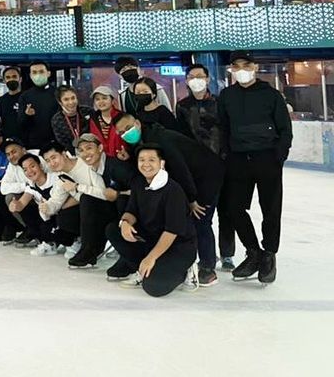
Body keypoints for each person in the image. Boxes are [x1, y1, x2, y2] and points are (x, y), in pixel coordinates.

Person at [218, 51, 292, 285]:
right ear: (231, 70)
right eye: (236, 66)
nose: (241, 70)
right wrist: (227, 155)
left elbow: (285, 129)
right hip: (238, 159)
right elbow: (223, 128)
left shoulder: (271, 95)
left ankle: (269, 254)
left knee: (271, 209)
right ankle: (253, 252)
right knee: (234, 208)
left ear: (255, 67)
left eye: (246, 65)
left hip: (267, 158)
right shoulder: (227, 96)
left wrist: (278, 156)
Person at [106, 146, 199, 296]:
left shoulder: (172, 190)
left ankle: (186, 270)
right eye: (142, 160)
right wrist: (125, 223)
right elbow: (131, 210)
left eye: (151, 160)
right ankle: (141, 268)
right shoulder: (139, 183)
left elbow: (171, 231)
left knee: (153, 287)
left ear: (161, 163)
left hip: (178, 246)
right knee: (114, 230)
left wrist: (151, 258)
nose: (146, 164)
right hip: (152, 240)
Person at [177, 63, 236, 271]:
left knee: (227, 212)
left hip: (225, 164)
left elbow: (229, 130)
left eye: (200, 76)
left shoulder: (221, 103)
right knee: (203, 216)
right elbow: (183, 136)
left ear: (208, 79)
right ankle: (207, 258)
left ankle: (227, 253)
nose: (196, 80)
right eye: (191, 76)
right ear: (186, 81)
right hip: (200, 169)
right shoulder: (183, 106)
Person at [68, 133, 135, 269]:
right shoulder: (92, 168)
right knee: (87, 199)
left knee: (122, 200)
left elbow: (142, 190)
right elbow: (102, 194)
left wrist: (119, 194)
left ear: (100, 148)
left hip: (132, 211)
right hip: (113, 207)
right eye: (81, 150)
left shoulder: (116, 167)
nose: (85, 153)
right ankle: (89, 250)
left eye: (89, 148)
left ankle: (129, 255)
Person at [18, 61, 57, 150]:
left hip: (56, 143)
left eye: (41, 71)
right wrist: (27, 115)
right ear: (30, 75)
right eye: (34, 72)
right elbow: (21, 124)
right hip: (33, 145)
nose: (38, 75)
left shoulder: (58, 93)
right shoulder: (25, 96)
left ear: (48, 73)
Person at [87, 85, 125, 159]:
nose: (101, 101)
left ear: (112, 101)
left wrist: (128, 152)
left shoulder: (123, 117)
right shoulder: (93, 120)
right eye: (97, 99)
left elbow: (131, 141)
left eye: (104, 98)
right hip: (101, 160)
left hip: (122, 159)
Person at [51, 85, 87, 152]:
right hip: (72, 154)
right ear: (60, 102)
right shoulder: (57, 120)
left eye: (73, 98)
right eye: (66, 99)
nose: (71, 102)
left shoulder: (87, 111)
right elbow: (62, 143)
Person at [0, 66, 25, 140]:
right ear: (4, 80)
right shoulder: (1, 100)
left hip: (25, 140)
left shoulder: (27, 97)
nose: (11, 79)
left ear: (20, 79)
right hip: (7, 140)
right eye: (8, 77)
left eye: (14, 76)